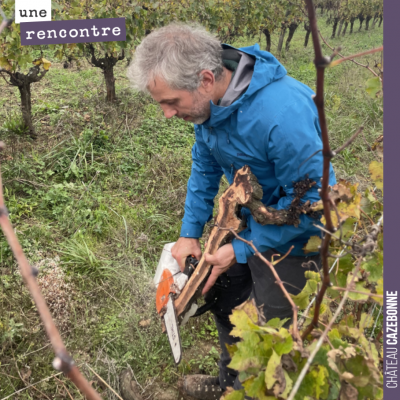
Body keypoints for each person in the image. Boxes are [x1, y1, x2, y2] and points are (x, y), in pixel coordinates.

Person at [127, 23, 336, 399]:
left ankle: (258, 391)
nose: (166, 114)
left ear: (206, 79)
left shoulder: (283, 115)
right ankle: (231, 384)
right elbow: (205, 165)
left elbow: (312, 210)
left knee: (275, 331)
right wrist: (189, 233)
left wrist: (239, 250)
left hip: (296, 238)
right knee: (226, 300)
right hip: (249, 221)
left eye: (171, 102)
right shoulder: (211, 108)